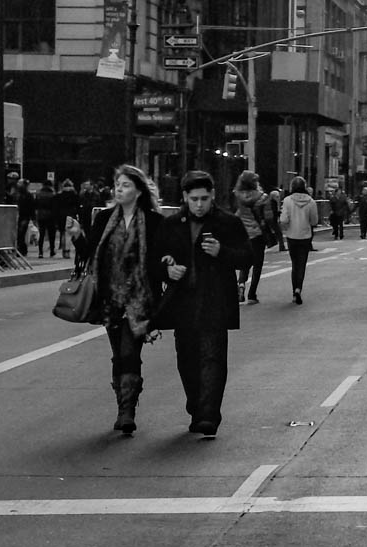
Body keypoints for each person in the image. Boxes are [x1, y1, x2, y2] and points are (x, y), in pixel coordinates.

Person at [157, 170, 252, 437]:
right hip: (183, 302)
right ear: (185, 197)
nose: (200, 204)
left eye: (205, 198)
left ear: (213, 197)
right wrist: (167, 269)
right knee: (187, 360)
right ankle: (196, 406)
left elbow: (246, 257)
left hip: (215, 300)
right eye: (194, 198)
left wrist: (222, 252)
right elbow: (156, 258)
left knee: (213, 358)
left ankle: (209, 415)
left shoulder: (227, 223)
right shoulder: (173, 224)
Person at [79, 164, 166, 435]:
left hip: (140, 299)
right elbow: (90, 253)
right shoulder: (105, 219)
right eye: (117, 184)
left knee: (130, 352)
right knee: (119, 354)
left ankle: (127, 411)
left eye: (126, 185)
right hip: (111, 300)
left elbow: (161, 257)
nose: (119, 189)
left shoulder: (153, 221)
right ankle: (123, 406)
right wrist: (76, 238)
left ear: (139, 191)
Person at [231, 170, 272, 305]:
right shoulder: (263, 197)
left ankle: (241, 284)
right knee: (257, 264)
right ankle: (252, 294)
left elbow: (235, 213)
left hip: (242, 233)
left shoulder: (237, 195)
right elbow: (268, 217)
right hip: (257, 234)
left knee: (245, 262)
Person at [279, 175, 319, 304]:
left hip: (291, 235)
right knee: (302, 264)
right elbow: (314, 221)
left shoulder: (287, 201)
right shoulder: (311, 201)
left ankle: (294, 290)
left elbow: (283, 219)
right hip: (305, 235)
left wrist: (286, 225)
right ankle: (298, 289)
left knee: (294, 264)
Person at [55, 178, 80, 259]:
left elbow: (56, 206)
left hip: (60, 215)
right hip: (70, 215)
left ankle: (63, 250)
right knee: (68, 234)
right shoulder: (74, 195)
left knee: (62, 232)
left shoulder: (59, 195)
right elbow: (78, 206)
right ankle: (67, 251)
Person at [34, 180, 57, 257]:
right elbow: (54, 206)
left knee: (42, 234)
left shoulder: (39, 194)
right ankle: (52, 250)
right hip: (51, 216)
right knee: (51, 234)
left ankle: (40, 252)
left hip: (41, 215)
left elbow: (36, 205)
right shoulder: (53, 194)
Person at [13, 178, 34, 256]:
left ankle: (22, 250)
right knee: (19, 234)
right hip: (21, 216)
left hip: (24, 216)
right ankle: (22, 249)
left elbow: (31, 207)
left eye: (20, 183)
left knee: (21, 233)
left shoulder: (27, 195)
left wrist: (32, 217)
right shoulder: (20, 194)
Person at [267, 187, 286, 251]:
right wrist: (279, 212)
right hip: (273, 219)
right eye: (277, 196)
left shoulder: (269, 202)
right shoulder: (273, 203)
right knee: (279, 233)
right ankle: (281, 246)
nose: (279, 198)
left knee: (274, 232)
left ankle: (271, 244)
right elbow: (275, 211)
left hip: (270, 219)